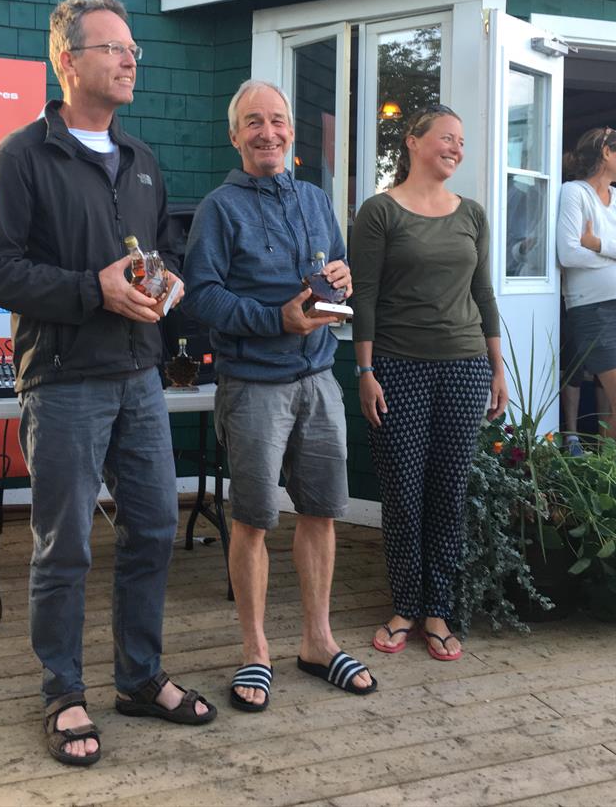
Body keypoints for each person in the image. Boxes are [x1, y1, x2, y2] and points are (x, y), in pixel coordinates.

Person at [0, 0, 216, 768]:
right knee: (64, 545)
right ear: (68, 62)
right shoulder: (21, 158)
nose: (130, 58)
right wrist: (91, 290)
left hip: (140, 375)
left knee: (150, 530)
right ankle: (63, 691)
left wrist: (161, 284)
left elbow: (150, 257)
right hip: (64, 381)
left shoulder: (140, 161)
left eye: (133, 48)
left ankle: (139, 677)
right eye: (113, 48)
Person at [182, 79, 376, 714]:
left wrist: (343, 279)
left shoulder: (317, 200)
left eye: (279, 120)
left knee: (321, 512)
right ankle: (256, 651)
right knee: (254, 519)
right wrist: (276, 321)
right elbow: (202, 295)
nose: (269, 132)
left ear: (292, 130)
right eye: (254, 122)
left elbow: (338, 273)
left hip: (319, 379)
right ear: (234, 135)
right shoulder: (219, 208)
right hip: (254, 385)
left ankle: (318, 642)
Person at [350, 105, 508, 662]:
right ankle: (405, 607)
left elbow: (483, 294)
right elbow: (362, 296)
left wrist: (497, 364)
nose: (456, 149)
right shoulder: (379, 212)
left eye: (461, 142)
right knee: (403, 491)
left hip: (465, 365)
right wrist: (364, 371)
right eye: (446, 138)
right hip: (396, 366)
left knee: (448, 492)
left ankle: (438, 611)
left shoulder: (473, 214)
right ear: (413, 142)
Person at [556, 127, 616, 450]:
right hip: (596, 311)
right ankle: (601, 481)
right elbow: (569, 253)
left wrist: (597, 243)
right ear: (605, 152)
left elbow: (586, 247)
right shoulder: (575, 193)